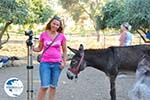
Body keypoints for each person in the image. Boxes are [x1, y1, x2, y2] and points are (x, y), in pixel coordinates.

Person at [32, 15, 67, 100]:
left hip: (57, 64)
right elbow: (39, 48)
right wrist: (32, 47)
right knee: (44, 86)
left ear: (59, 27)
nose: (55, 26)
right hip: (45, 63)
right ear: (50, 23)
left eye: (57, 25)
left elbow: (65, 50)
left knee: (53, 86)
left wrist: (64, 62)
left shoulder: (61, 36)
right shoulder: (43, 34)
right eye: (54, 23)